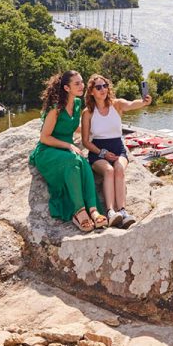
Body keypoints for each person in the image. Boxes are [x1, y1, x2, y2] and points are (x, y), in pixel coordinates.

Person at [29, 71, 108, 232]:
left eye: (82, 82)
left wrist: (92, 132)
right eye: (77, 84)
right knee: (74, 160)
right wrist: (69, 146)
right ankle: (79, 211)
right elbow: (45, 137)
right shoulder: (55, 108)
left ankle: (93, 210)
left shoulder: (78, 104)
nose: (82, 86)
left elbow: (72, 126)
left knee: (83, 163)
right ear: (66, 87)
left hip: (66, 150)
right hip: (48, 151)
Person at [81, 73, 151, 229]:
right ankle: (110, 212)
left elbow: (132, 104)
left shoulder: (116, 104)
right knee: (108, 170)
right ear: (91, 91)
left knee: (118, 169)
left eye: (105, 86)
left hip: (118, 148)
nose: (103, 89)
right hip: (98, 151)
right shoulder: (88, 113)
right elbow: (85, 141)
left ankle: (123, 212)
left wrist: (143, 102)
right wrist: (102, 153)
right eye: (98, 87)